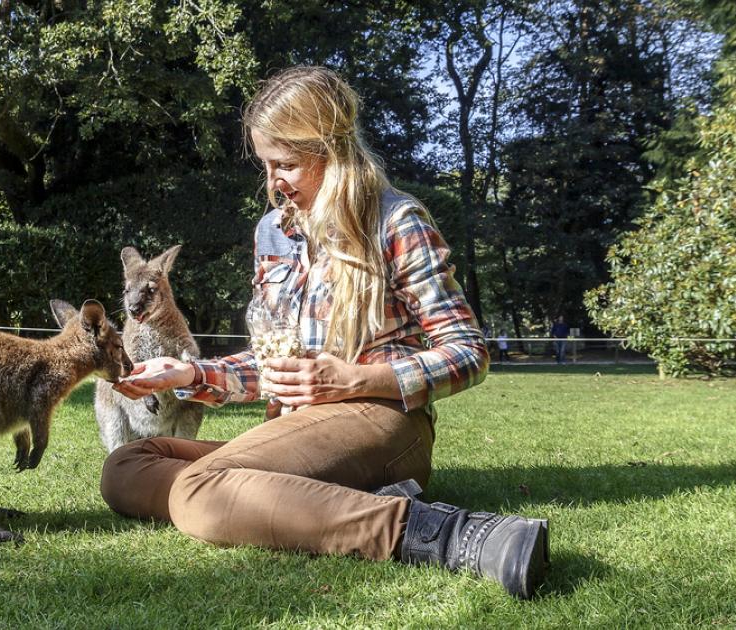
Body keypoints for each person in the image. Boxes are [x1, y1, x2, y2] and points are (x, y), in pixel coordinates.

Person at [104, 66, 549, 599]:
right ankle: (303, 497)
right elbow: (276, 364)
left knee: (198, 491)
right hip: (295, 429)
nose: (274, 183)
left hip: (382, 419)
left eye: (286, 164)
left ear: (332, 151)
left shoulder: (396, 221)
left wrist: (355, 379)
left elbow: (468, 353)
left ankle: (456, 535)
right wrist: (190, 372)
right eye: (266, 166)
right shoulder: (274, 232)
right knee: (125, 467)